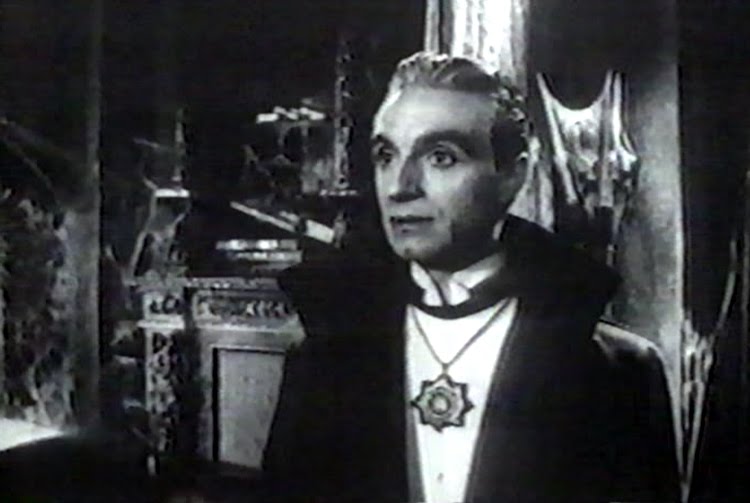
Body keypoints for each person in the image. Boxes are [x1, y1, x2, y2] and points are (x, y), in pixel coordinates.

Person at [264, 52, 679, 503]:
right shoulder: (327, 351)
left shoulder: (617, 370)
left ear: (512, 174)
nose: (400, 186)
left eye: (441, 157)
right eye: (386, 155)